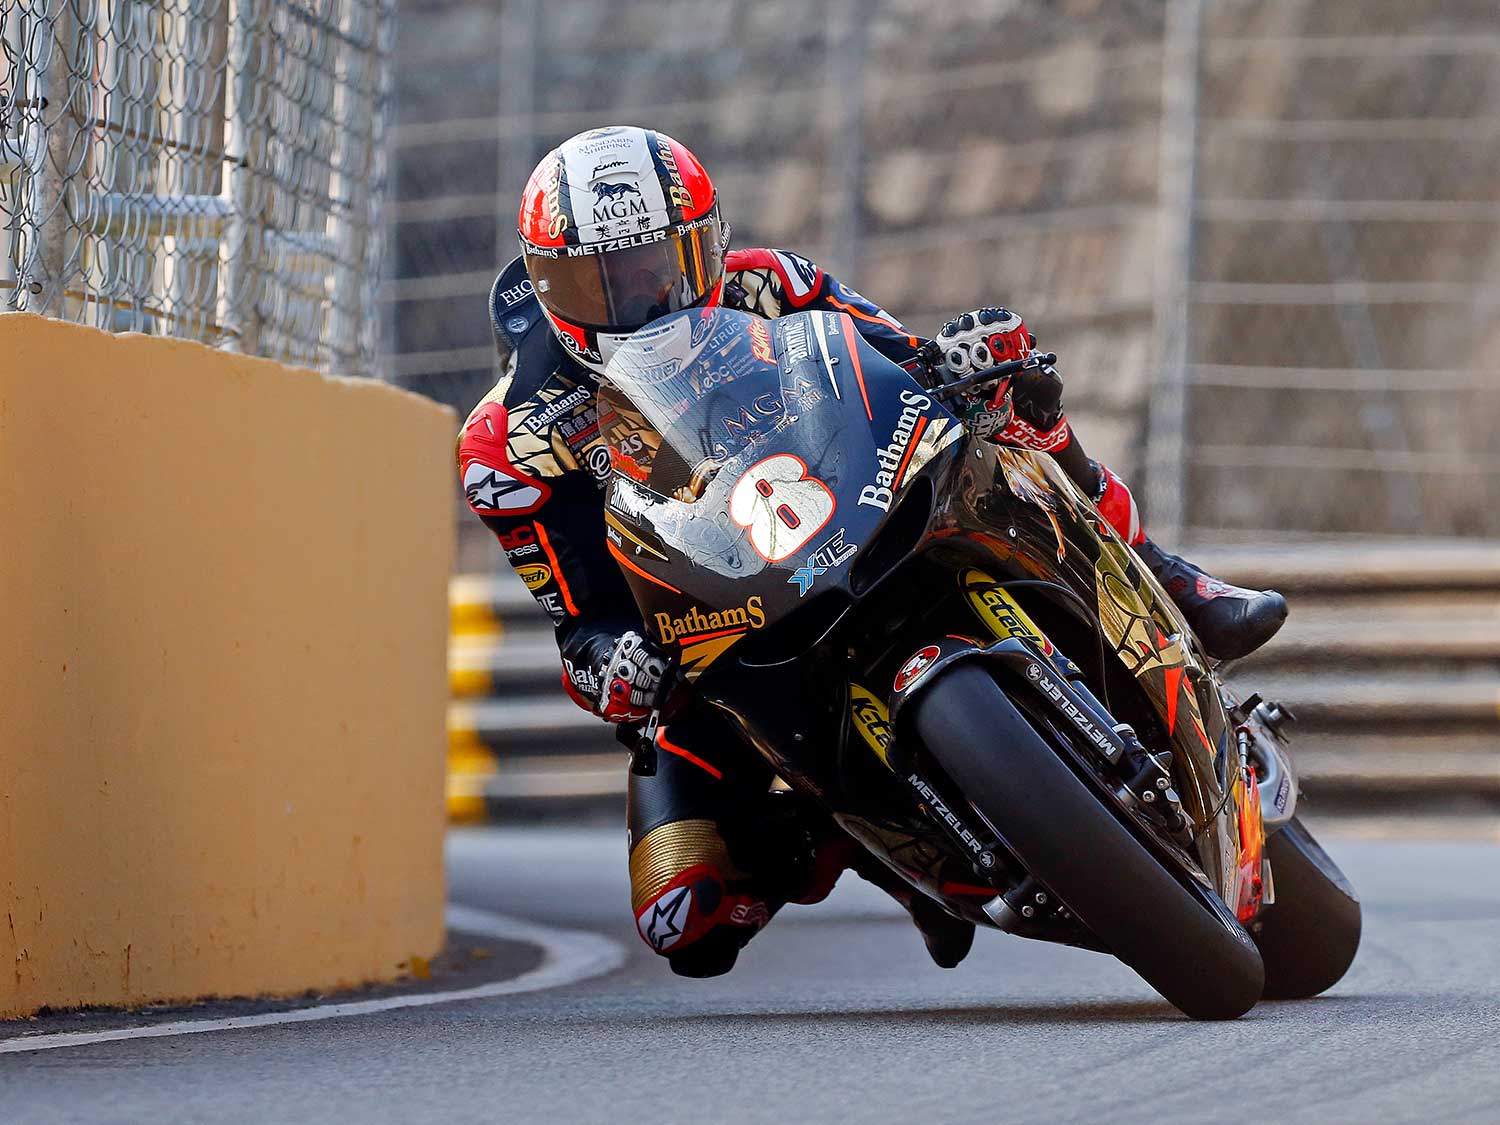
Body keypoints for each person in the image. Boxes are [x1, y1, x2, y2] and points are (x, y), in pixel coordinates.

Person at [457, 126, 1287, 978]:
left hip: (850, 502)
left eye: (657, 264)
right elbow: (579, 618)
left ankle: (1166, 575)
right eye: (601, 282)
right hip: (719, 627)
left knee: (1012, 409)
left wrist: (974, 362)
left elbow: (900, 358)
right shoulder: (505, 445)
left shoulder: (770, 285)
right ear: (549, 280)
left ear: (707, 242)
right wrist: (614, 666)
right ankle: (865, 842)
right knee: (683, 916)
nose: (640, 299)